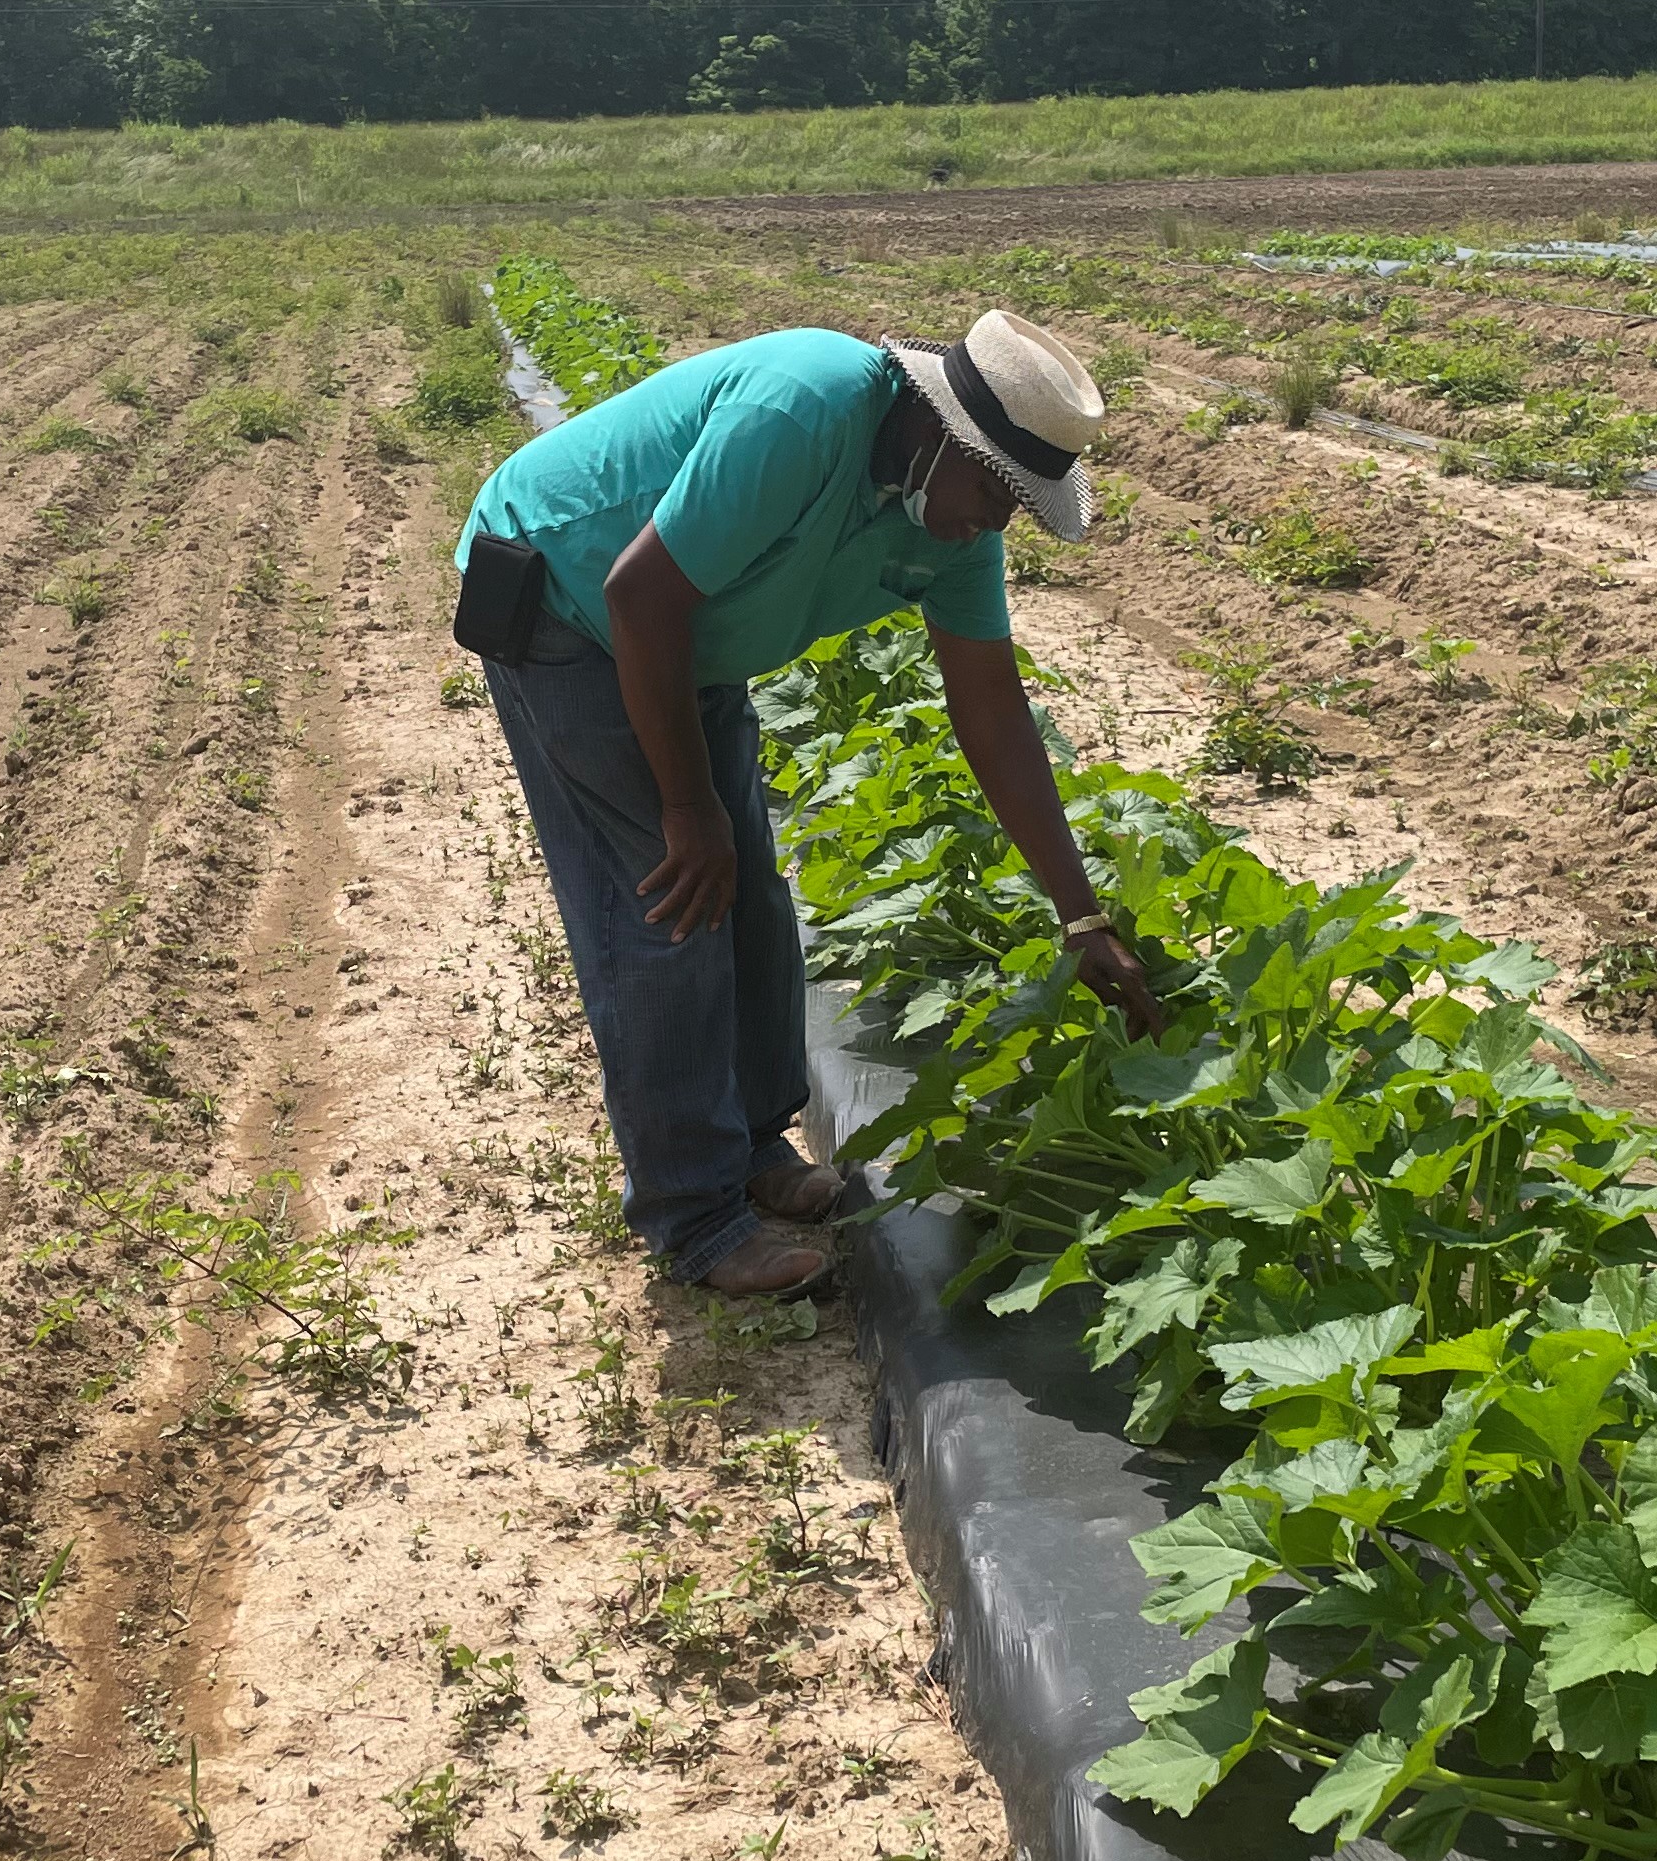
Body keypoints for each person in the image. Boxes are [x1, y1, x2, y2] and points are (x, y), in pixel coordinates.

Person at [454, 310, 1163, 1299]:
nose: (1000, 522)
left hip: (685, 636)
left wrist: (1078, 913)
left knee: (749, 896)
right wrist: (687, 807)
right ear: (944, 435)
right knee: (671, 903)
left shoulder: (951, 524)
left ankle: (750, 1146)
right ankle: (694, 1217)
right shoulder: (806, 409)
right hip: (568, 595)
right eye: (1001, 493)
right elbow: (639, 594)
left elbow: (993, 713)